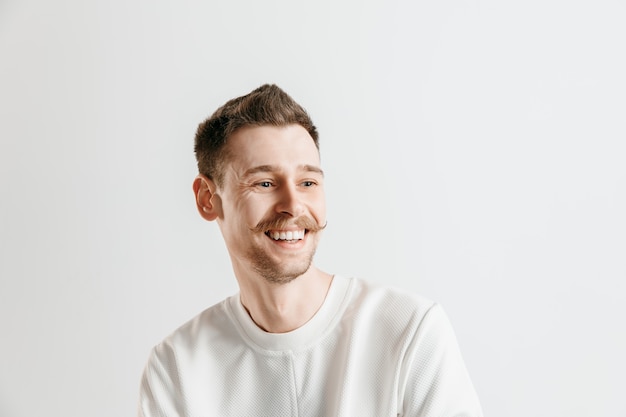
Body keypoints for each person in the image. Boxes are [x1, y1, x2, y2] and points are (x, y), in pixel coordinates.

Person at [138, 84, 483, 417]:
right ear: (207, 199)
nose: (293, 205)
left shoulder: (409, 331)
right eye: (265, 183)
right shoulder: (177, 368)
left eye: (308, 183)